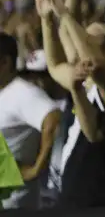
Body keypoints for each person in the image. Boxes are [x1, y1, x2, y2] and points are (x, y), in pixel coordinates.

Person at [36, 0, 105, 208]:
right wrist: (47, 20)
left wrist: (66, 16)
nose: (81, 38)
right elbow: (55, 66)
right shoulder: (86, 84)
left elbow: (94, 63)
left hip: (101, 198)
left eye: (89, 37)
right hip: (71, 195)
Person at [0, 32, 61, 209]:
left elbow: (53, 119)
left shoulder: (23, 92)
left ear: (5, 62)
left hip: (14, 205)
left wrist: (35, 169)